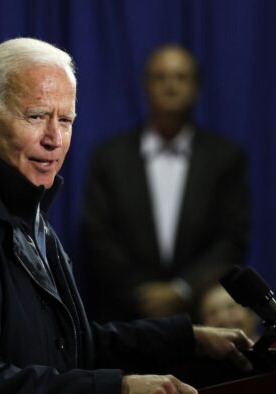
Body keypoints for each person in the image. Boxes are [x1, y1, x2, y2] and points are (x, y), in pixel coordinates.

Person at [0, 37, 254, 394]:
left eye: (66, 120)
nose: (54, 139)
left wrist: (187, 338)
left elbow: (71, 346)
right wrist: (118, 387)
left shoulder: (25, 212)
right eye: (37, 115)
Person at [81, 44, 250, 323]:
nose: (170, 85)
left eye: (181, 77)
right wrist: (141, 292)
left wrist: (182, 289)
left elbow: (232, 237)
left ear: (196, 88)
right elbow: (98, 236)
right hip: (124, 318)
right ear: (146, 86)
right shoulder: (109, 157)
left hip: (200, 316)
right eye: (161, 77)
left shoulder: (226, 157)